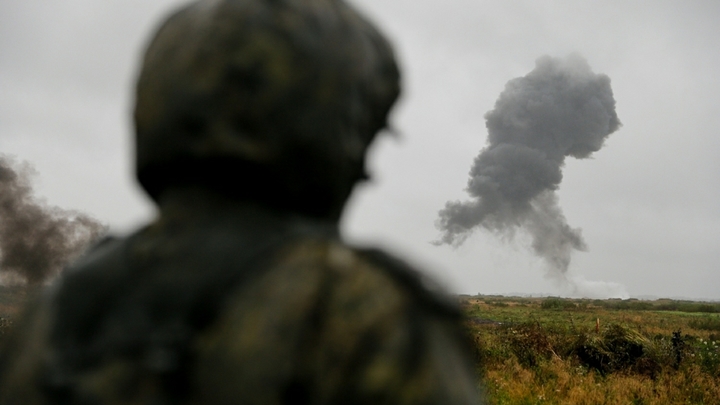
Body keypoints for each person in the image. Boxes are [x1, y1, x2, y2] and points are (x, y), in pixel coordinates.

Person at [0, 0, 483, 403]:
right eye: (362, 135)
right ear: (320, 130)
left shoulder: (48, 319)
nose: (367, 172)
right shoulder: (364, 317)